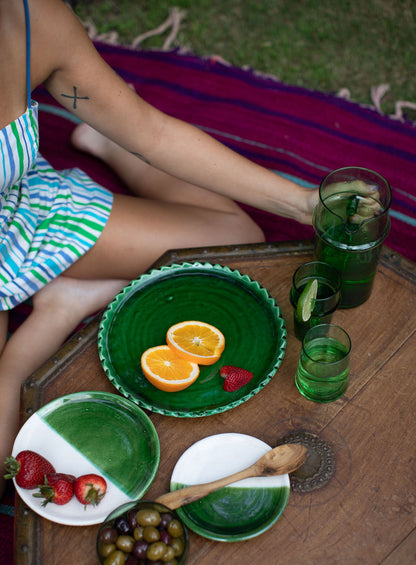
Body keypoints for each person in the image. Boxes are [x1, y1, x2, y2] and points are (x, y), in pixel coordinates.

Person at [0, 0, 318, 496]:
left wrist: (302, 204)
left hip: (21, 210)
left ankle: (106, 139)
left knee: (241, 242)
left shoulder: (31, 16)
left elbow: (154, 133)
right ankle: (60, 309)